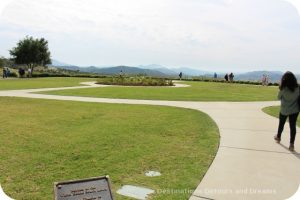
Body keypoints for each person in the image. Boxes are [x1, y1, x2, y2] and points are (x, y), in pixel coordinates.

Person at [274, 71, 299, 151]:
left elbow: (278, 97)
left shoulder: (283, 88)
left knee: (281, 124)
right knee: (293, 127)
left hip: (284, 109)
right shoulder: (298, 87)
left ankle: (278, 137)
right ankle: (291, 145)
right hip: (295, 110)